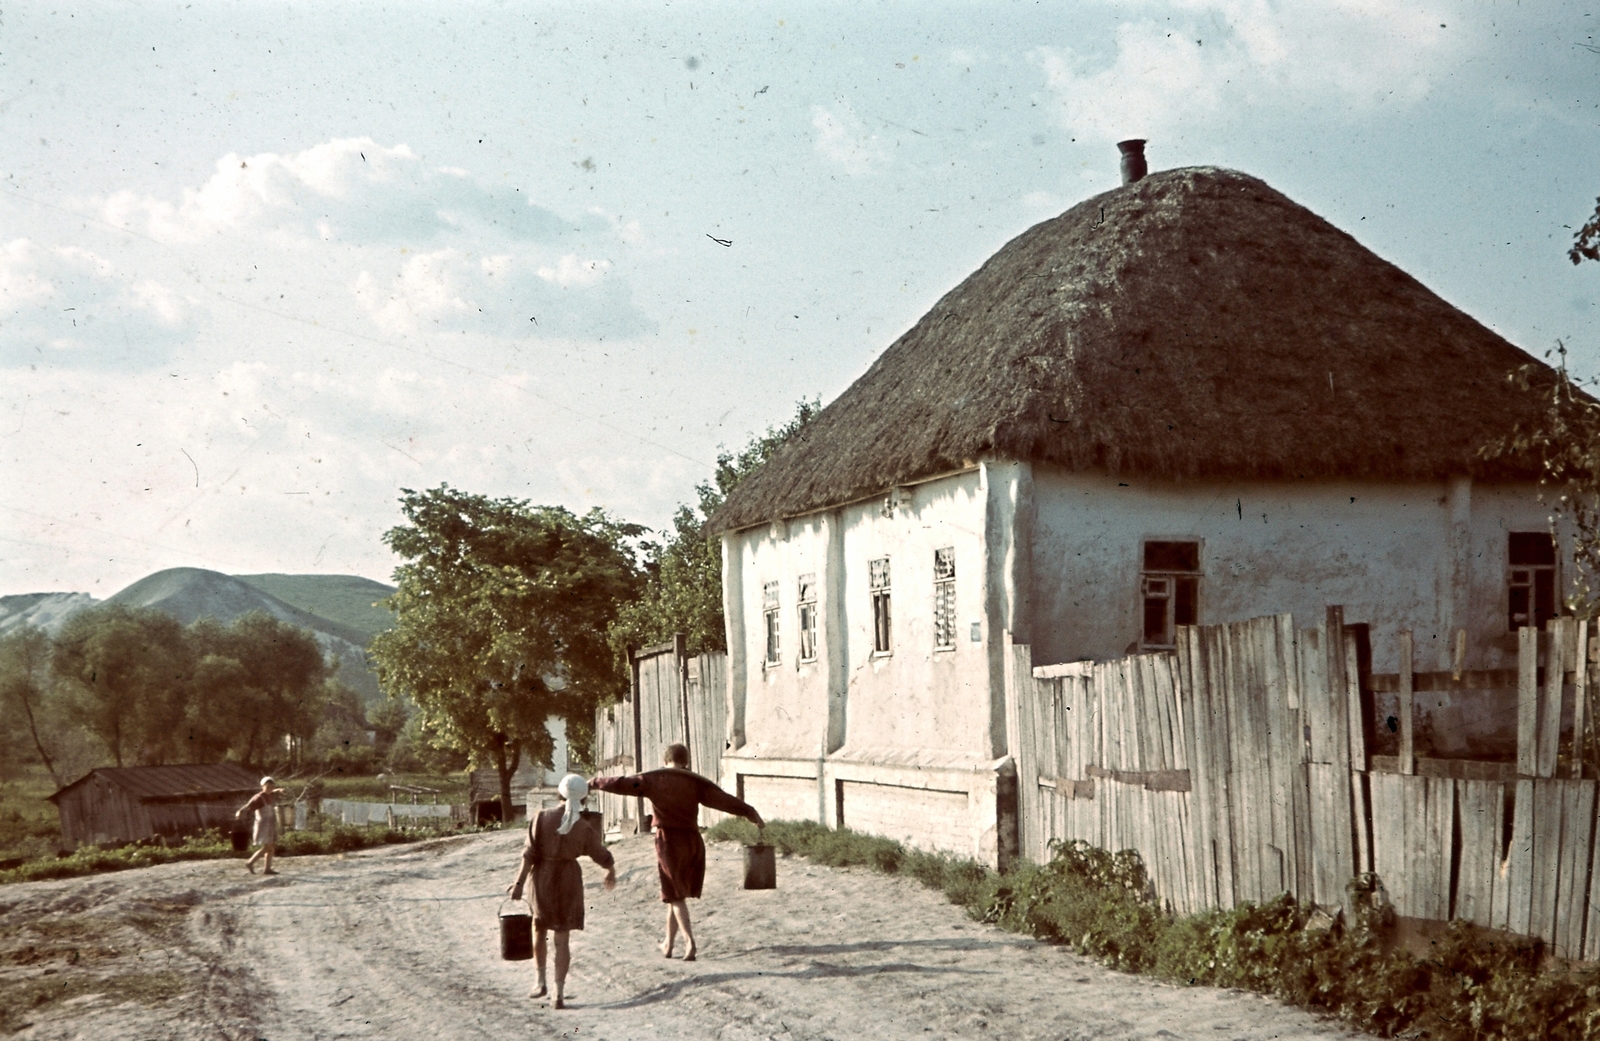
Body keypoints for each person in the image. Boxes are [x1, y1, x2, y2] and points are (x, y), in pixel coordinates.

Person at [590, 743, 764, 961]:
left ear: (665, 761)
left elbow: (621, 783)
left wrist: (594, 783)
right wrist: (748, 811)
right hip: (692, 842)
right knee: (672, 894)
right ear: (686, 761)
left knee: (674, 895)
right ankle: (668, 944)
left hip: (668, 841)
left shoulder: (654, 780)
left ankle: (689, 941)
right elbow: (721, 800)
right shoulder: (694, 783)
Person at [508, 773, 616, 1009]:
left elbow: (529, 855)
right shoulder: (583, 826)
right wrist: (610, 869)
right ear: (584, 799)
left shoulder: (541, 818)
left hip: (542, 877)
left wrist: (518, 884)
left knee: (538, 927)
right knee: (562, 937)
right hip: (569, 878)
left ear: (558, 793)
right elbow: (600, 854)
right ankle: (558, 991)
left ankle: (540, 982)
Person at [235, 776, 285, 875]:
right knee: (268, 847)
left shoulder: (270, 794)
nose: (270, 788)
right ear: (262, 786)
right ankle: (250, 862)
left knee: (271, 846)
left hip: (270, 823)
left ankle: (267, 869)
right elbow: (248, 805)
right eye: (267, 786)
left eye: (271, 786)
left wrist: (278, 790)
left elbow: (272, 791)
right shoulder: (258, 797)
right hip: (263, 824)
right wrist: (240, 811)